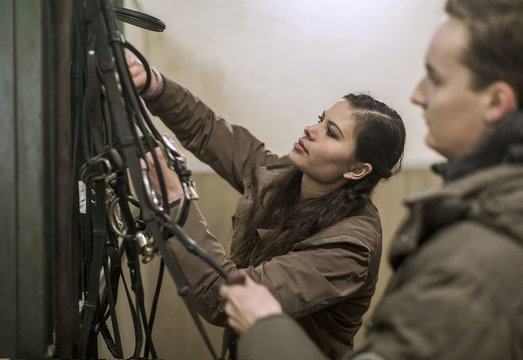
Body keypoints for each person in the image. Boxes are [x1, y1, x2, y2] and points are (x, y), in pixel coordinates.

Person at [219, 0, 523, 359]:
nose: (417, 95)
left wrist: (264, 328)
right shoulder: (480, 214)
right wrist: (154, 85)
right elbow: (216, 136)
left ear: (496, 101)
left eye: (436, 78)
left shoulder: (476, 258)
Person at [127, 54, 406, 358]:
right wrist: (153, 85)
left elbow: (227, 297)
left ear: (356, 170)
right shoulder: (284, 176)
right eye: (320, 119)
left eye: (331, 132)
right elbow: (210, 133)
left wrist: (175, 200)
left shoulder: (349, 247)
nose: (311, 128)